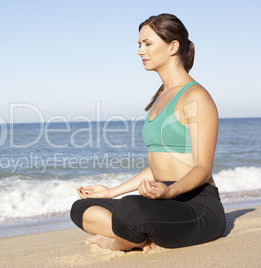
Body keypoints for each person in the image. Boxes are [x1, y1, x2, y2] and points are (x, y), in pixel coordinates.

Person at [70, 13, 226, 253]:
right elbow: (160, 165)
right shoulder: (161, 96)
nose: (140, 51)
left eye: (147, 44)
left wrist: (168, 190)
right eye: (139, 44)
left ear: (172, 46)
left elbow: (203, 169)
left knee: (130, 208)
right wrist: (111, 191)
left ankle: (115, 241)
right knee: (82, 207)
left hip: (197, 207)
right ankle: (137, 235)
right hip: (163, 202)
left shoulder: (195, 97)